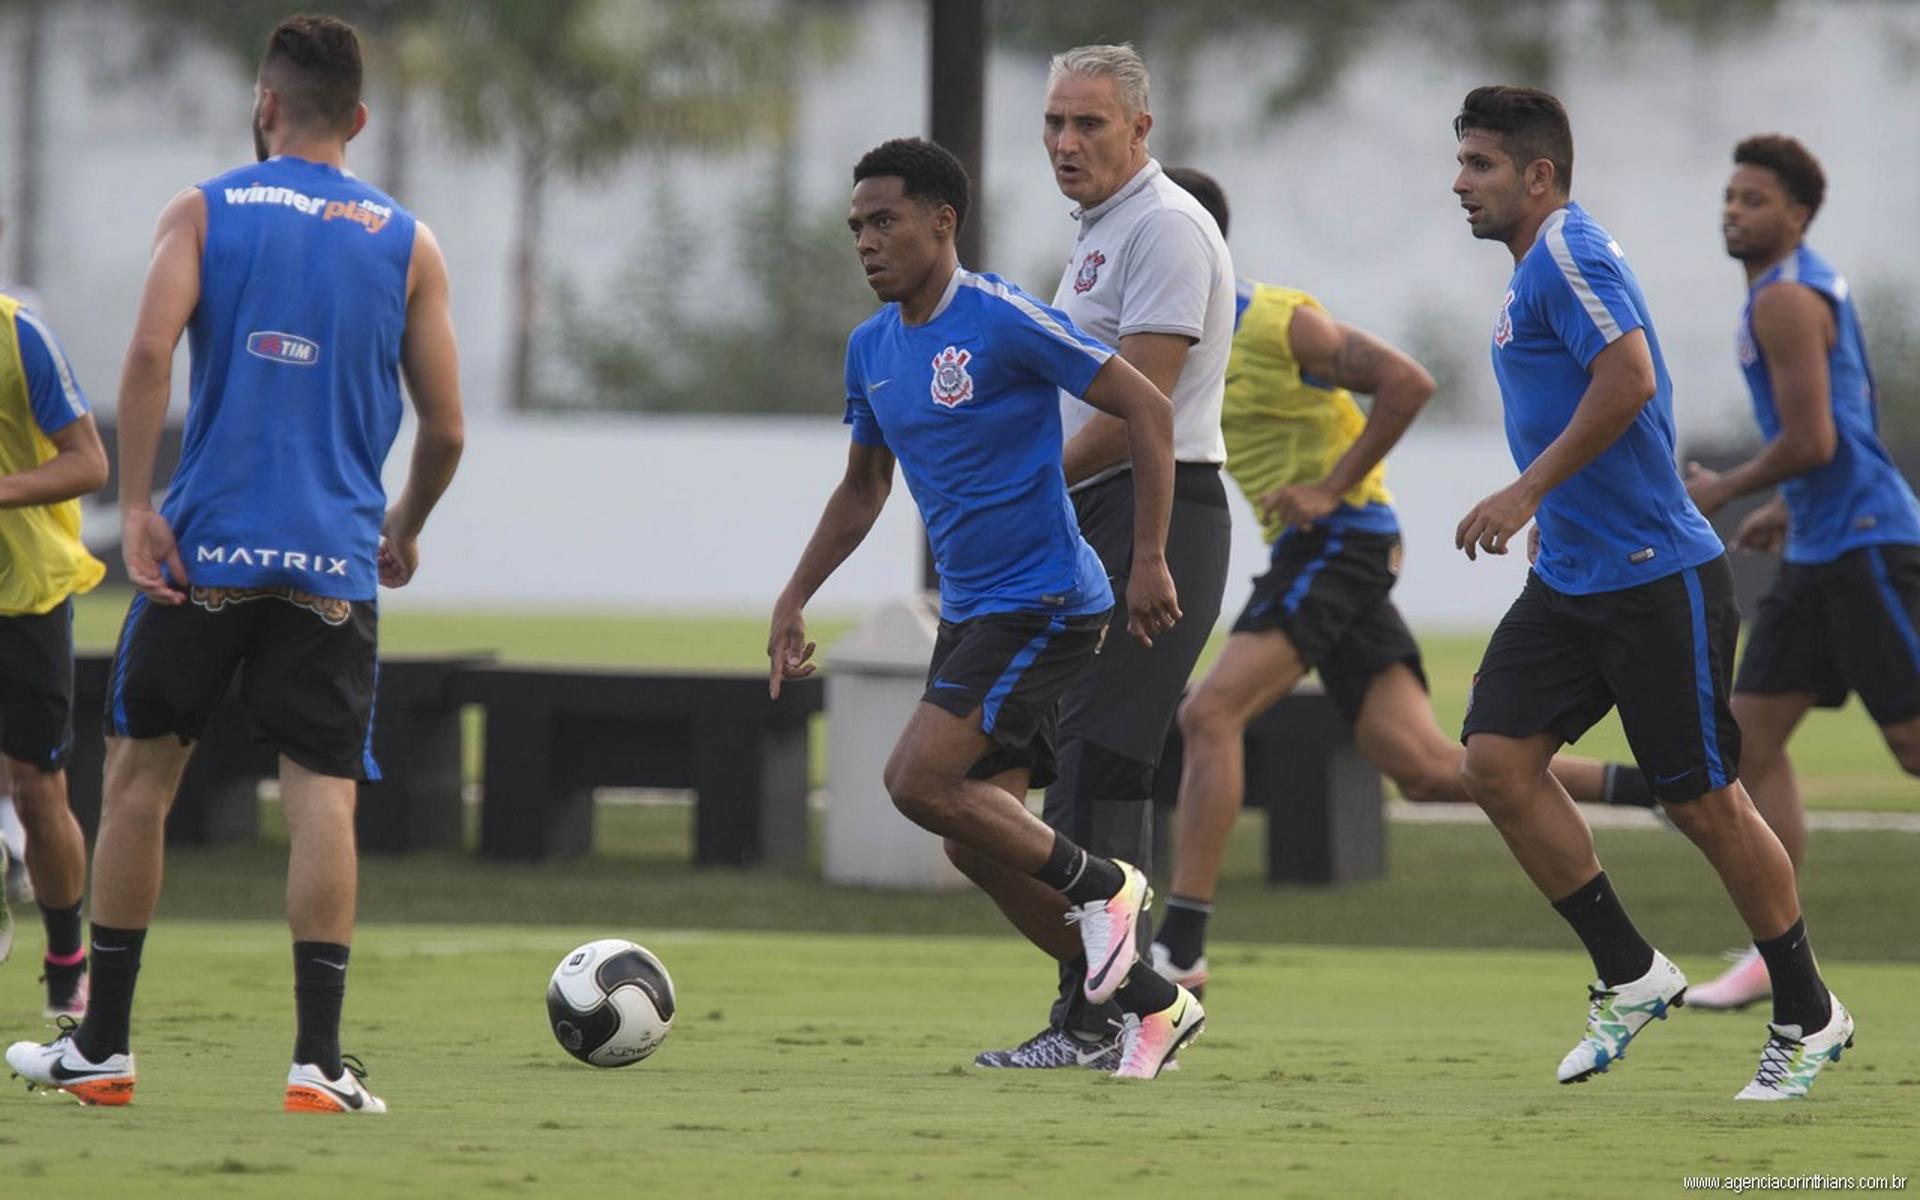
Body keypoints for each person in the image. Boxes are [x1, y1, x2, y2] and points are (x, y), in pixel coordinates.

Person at [5, 14, 464, 1111]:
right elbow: (446, 429)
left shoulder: (206, 208)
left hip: (201, 555)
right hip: (332, 570)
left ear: (265, 106)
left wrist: (138, 506)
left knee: (139, 783)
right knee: (321, 801)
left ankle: (102, 1048)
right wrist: (405, 525)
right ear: (357, 118)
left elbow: (153, 351)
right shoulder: (410, 242)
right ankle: (316, 1064)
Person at [1143, 167, 1655, 997]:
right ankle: (1650, 788)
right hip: (1328, 550)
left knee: (1210, 712)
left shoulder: (1275, 321)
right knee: (1420, 767)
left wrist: (1329, 489)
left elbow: (1409, 381)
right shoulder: (1171, 344)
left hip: (1340, 540)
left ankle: (1181, 948)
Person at [768, 136, 1200, 1080]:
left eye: (884, 221)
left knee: (916, 782)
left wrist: (1151, 557)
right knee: (976, 844)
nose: (867, 242)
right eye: (856, 228)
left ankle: (1106, 887)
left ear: (941, 221)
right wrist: (796, 594)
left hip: (1046, 601)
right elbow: (862, 489)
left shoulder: (1001, 317)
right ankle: (1152, 1006)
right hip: (975, 611)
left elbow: (1148, 409)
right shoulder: (871, 348)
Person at [1449, 85, 1850, 1101]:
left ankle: (1809, 1012)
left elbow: (1628, 379)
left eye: (1482, 165)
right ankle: (1631, 972)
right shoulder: (1530, 271)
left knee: (1705, 802)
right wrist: (1557, 505)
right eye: (1461, 162)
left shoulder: (1572, 250)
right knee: (1496, 763)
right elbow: (1584, 398)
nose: (1461, 182)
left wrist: (1526, 487)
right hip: (1573, 572)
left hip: (1653, 576)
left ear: (1538, 175)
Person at [967, 42, 1236, 1071]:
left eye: (1088, 124)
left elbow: (1140, 414)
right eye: (1053, 123)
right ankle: (1128, 1000)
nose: (1066, 142)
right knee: (1008, 793)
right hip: (1090, 513)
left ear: (1141, 129)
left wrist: (1018, 488)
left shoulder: (1164, 228)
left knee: (1100, 773)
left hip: (1152, 515)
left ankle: (1102, 1020)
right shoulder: (1102, 233)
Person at [1681, 134, 1920, 1011]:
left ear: (1798, 214)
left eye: (1753, 200)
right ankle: (1771, 954)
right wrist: (1792, 503)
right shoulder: (1804, 286)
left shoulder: (1784, 300)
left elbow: (1818, 437)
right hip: (1823, 540)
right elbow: (1854, 409)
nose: (1733, 212)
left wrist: (1731, 488)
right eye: (1730, 197)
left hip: (1863, 544)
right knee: (1748, 745)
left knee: (1911, 748)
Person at [0, 261, 110, 1022]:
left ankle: (67, 958)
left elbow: (89, 462)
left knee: (41, 790)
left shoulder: (20, 334)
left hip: (23, 591)